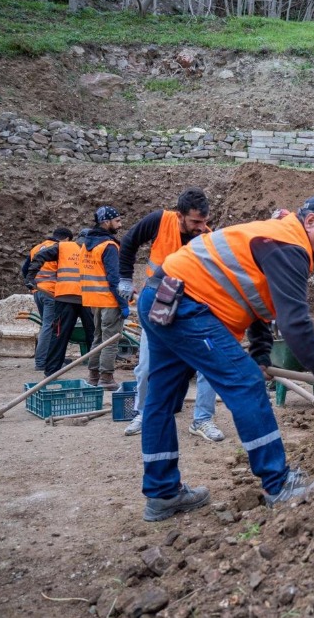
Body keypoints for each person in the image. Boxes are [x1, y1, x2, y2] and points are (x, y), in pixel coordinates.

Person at [135, 193, 314, 521]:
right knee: (246, 382)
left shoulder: (277, 238)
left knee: (162, 398)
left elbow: (256, 300)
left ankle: (162, 493)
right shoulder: (289, 246)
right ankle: (278, 483)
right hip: (186, 305)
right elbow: (295, 325)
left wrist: (261, 354)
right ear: (311, 221)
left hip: (162, 295)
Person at [117, 188, 224, 442]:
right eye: (196, 222)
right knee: (145, 367)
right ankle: (142, 412)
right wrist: (123, 278)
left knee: (208, 364)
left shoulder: (208, 239)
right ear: (180, 215)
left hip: (190, 309)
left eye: (205, 221)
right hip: (156, 305)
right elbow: (129, 242)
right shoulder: (159, 220)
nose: (201, 227)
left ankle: (202, 419)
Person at [25, 230, 96, 377]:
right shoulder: (95, 248)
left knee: (59, 335)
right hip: (84, 299)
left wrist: (31, 276)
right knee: (93, 335)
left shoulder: (64, 247)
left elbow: (40, 256)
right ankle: (96, 372)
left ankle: (51, 371)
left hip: (67, 298)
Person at [80, 206, 129, 391]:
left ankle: (93, 375)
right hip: (109, 300)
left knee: (98, 337)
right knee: (111, 340)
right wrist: (123, 303)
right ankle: (106, 378)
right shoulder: (108, 246)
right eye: (117, 221)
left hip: (94, 299)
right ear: (106, 222)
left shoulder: (88, 243)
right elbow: (114, 278)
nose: (120, 224)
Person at [21, 227, 74, 372]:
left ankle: (50, 357)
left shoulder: (37, 247)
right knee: (49, 326)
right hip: (51, 292)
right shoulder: (61, 248)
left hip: (38, 291)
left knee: (47, 325)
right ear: (66, 239)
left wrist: (33, 288)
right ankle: (42, 362)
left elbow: (25, 270)